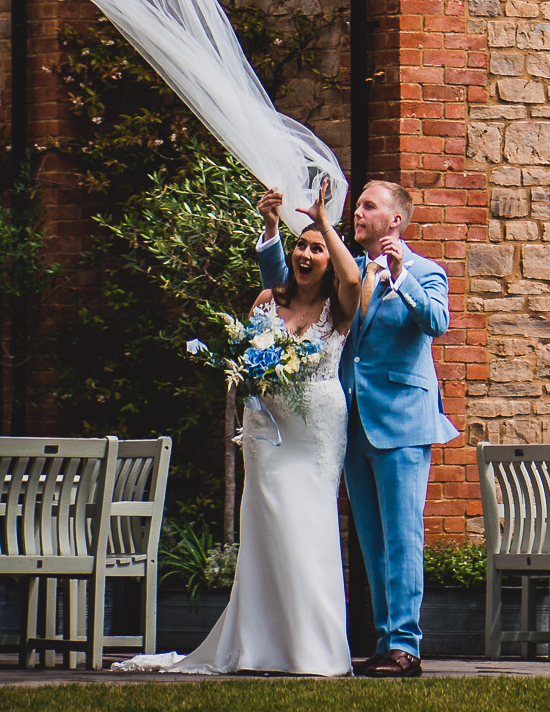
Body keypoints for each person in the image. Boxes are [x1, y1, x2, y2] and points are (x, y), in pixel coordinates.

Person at [116, 199, 362, 677]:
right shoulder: (269, 302)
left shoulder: (341, 306)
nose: (305, 255)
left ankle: (315, 650)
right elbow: (248, 362)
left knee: (309, 528)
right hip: (267, 430)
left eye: (317, 248)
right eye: (300, 246)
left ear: (331, 257)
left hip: (316, 432)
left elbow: (354, 280)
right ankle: (261, 645)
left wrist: (325, 224)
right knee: (270, 528)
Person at [265, 180, 457, 678]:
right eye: (360, 205)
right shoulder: (347, 271)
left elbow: (437, 322)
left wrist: (401, 278)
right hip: (351, 425)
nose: (360, 212)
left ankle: (406, 647)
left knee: (402, 538)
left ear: (395, 220)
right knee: (371, 541)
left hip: (403, 425)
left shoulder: (426, 272)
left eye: (369, 205)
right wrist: (270, 237)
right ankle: (383, 642)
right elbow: (293, 291)